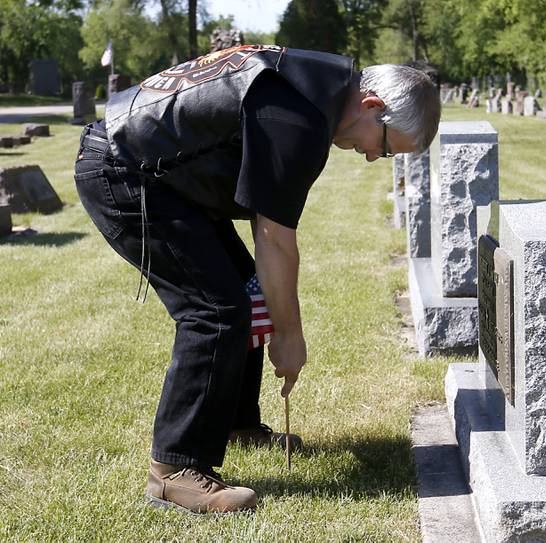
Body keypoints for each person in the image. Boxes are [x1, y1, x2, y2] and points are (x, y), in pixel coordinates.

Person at [74, 44, 441, 514]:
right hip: (124, 170)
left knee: (244, 288)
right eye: (386, 147)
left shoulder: (308, 87)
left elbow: (264, 234)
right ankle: (173, 473)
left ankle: (236, 423)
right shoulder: (300, 113)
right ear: (373, 106)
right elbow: (274, 238)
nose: (374, 158)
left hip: (150, 167)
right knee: (215, 310)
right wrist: (289, 335)